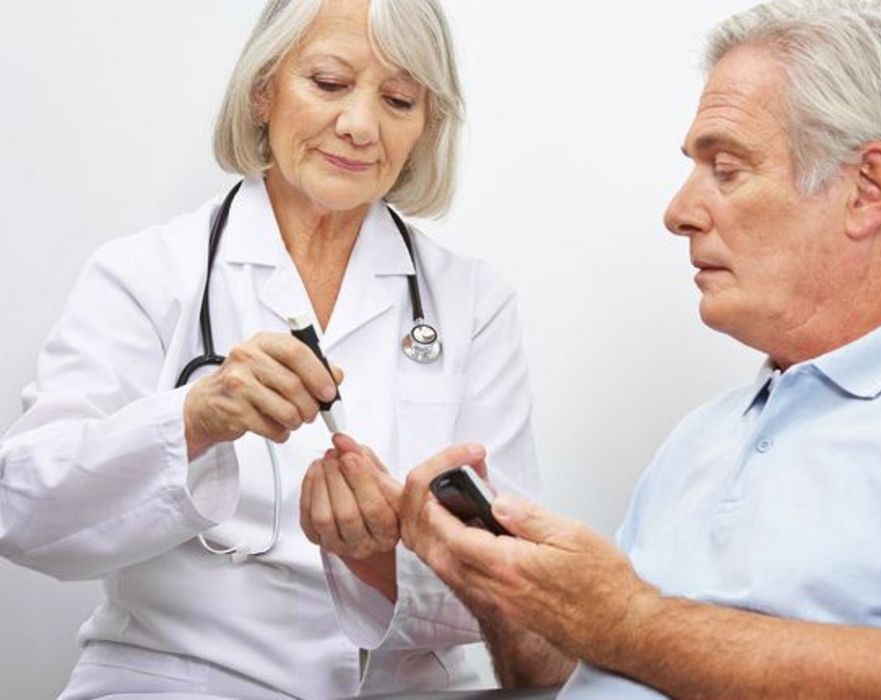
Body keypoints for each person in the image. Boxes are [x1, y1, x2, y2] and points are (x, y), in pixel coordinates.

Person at [307, 0, 881, 697]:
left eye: (726, 168)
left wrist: (626, 618)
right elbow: (575, 673)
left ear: (867, 189)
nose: (679, 211)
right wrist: (504, 590)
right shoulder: (706, 436)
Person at [0, 0, 538, 697]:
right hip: (177, 678)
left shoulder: (472, 301)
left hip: (407, 686)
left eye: (399, 100)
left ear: (424, 127)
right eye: (329, 83)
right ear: (263, 90)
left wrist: (380, 560)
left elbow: (517, 584)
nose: (360, 125)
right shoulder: (147, 272)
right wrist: (192, 421)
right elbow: (23, 512)